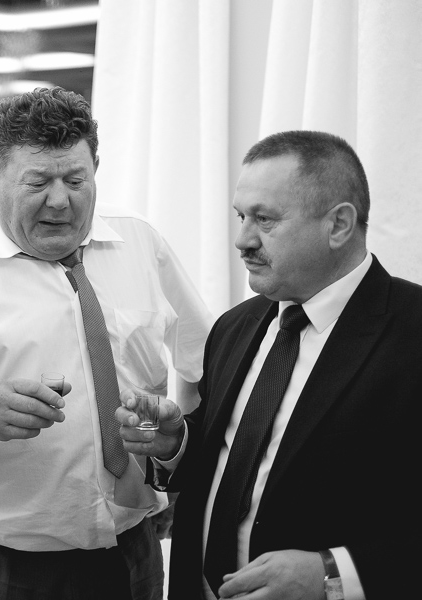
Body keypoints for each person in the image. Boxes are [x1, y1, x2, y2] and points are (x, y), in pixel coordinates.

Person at [0, 87, 214, 600]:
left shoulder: (141, 244)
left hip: (134, 556)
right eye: (37, 182)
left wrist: (178, 467)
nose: (60, 200)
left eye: (76, 180)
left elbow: (205, 364)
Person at [118, 130, 420, 600]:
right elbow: (232, 460)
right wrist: (177, 444)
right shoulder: (234, 327)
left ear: (339, 225)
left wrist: (332, 574)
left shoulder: (411, 334)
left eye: (265, 219)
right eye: (241, 216)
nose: (242, 240)